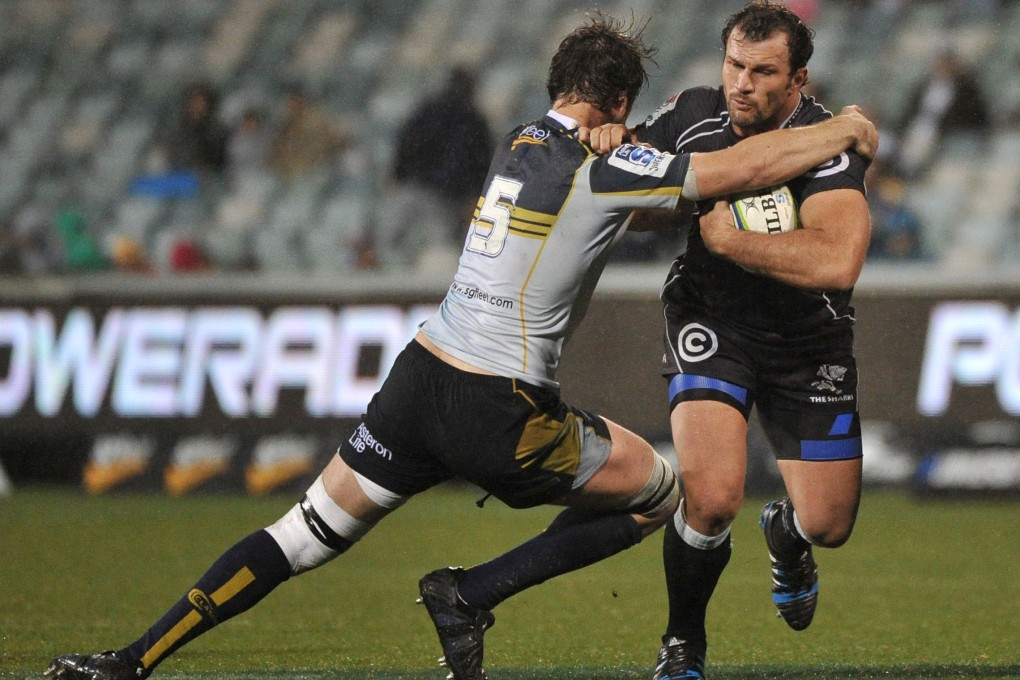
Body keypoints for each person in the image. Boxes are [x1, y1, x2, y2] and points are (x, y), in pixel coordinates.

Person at [44, 13, 877, 680]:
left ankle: (130, 660)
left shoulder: (515, 140)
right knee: (662, 495)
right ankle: (469, 594)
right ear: (619, 108)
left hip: (418, 380)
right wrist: (846, 129)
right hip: (499, 406)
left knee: (299, 534)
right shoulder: (607, 169)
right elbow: (733, 174)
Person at [589, 2, 873, 677]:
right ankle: (683, 643)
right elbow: (631, 195)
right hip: (712, 321)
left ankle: (787, 533)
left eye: (763, 71)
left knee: (830, 525)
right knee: (711, 498)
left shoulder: (826, 140)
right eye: (734, 66)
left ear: (797, 79)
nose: (742, 83)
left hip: (809, 342)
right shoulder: (693, 114)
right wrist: (614, 145)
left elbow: (837, 262)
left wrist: (729, 239)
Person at [377, 66, 495, 271]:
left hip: (415, 186)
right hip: (444, 195)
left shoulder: (429, 109)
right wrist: (474, 193)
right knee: (440, 247)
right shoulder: (474, 119)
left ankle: (373, 280)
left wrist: (399, 174)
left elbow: (406, 143)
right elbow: (481, 162)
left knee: (387, 240)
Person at [266, 85, 348, 182]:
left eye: (295, 103)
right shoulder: (287, 124)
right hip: (289, 175)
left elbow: (334, 144)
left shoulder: (317, 122)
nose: (290, 108)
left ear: (302, 102)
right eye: (290, 104)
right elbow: (276, 151)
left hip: (312, 175)